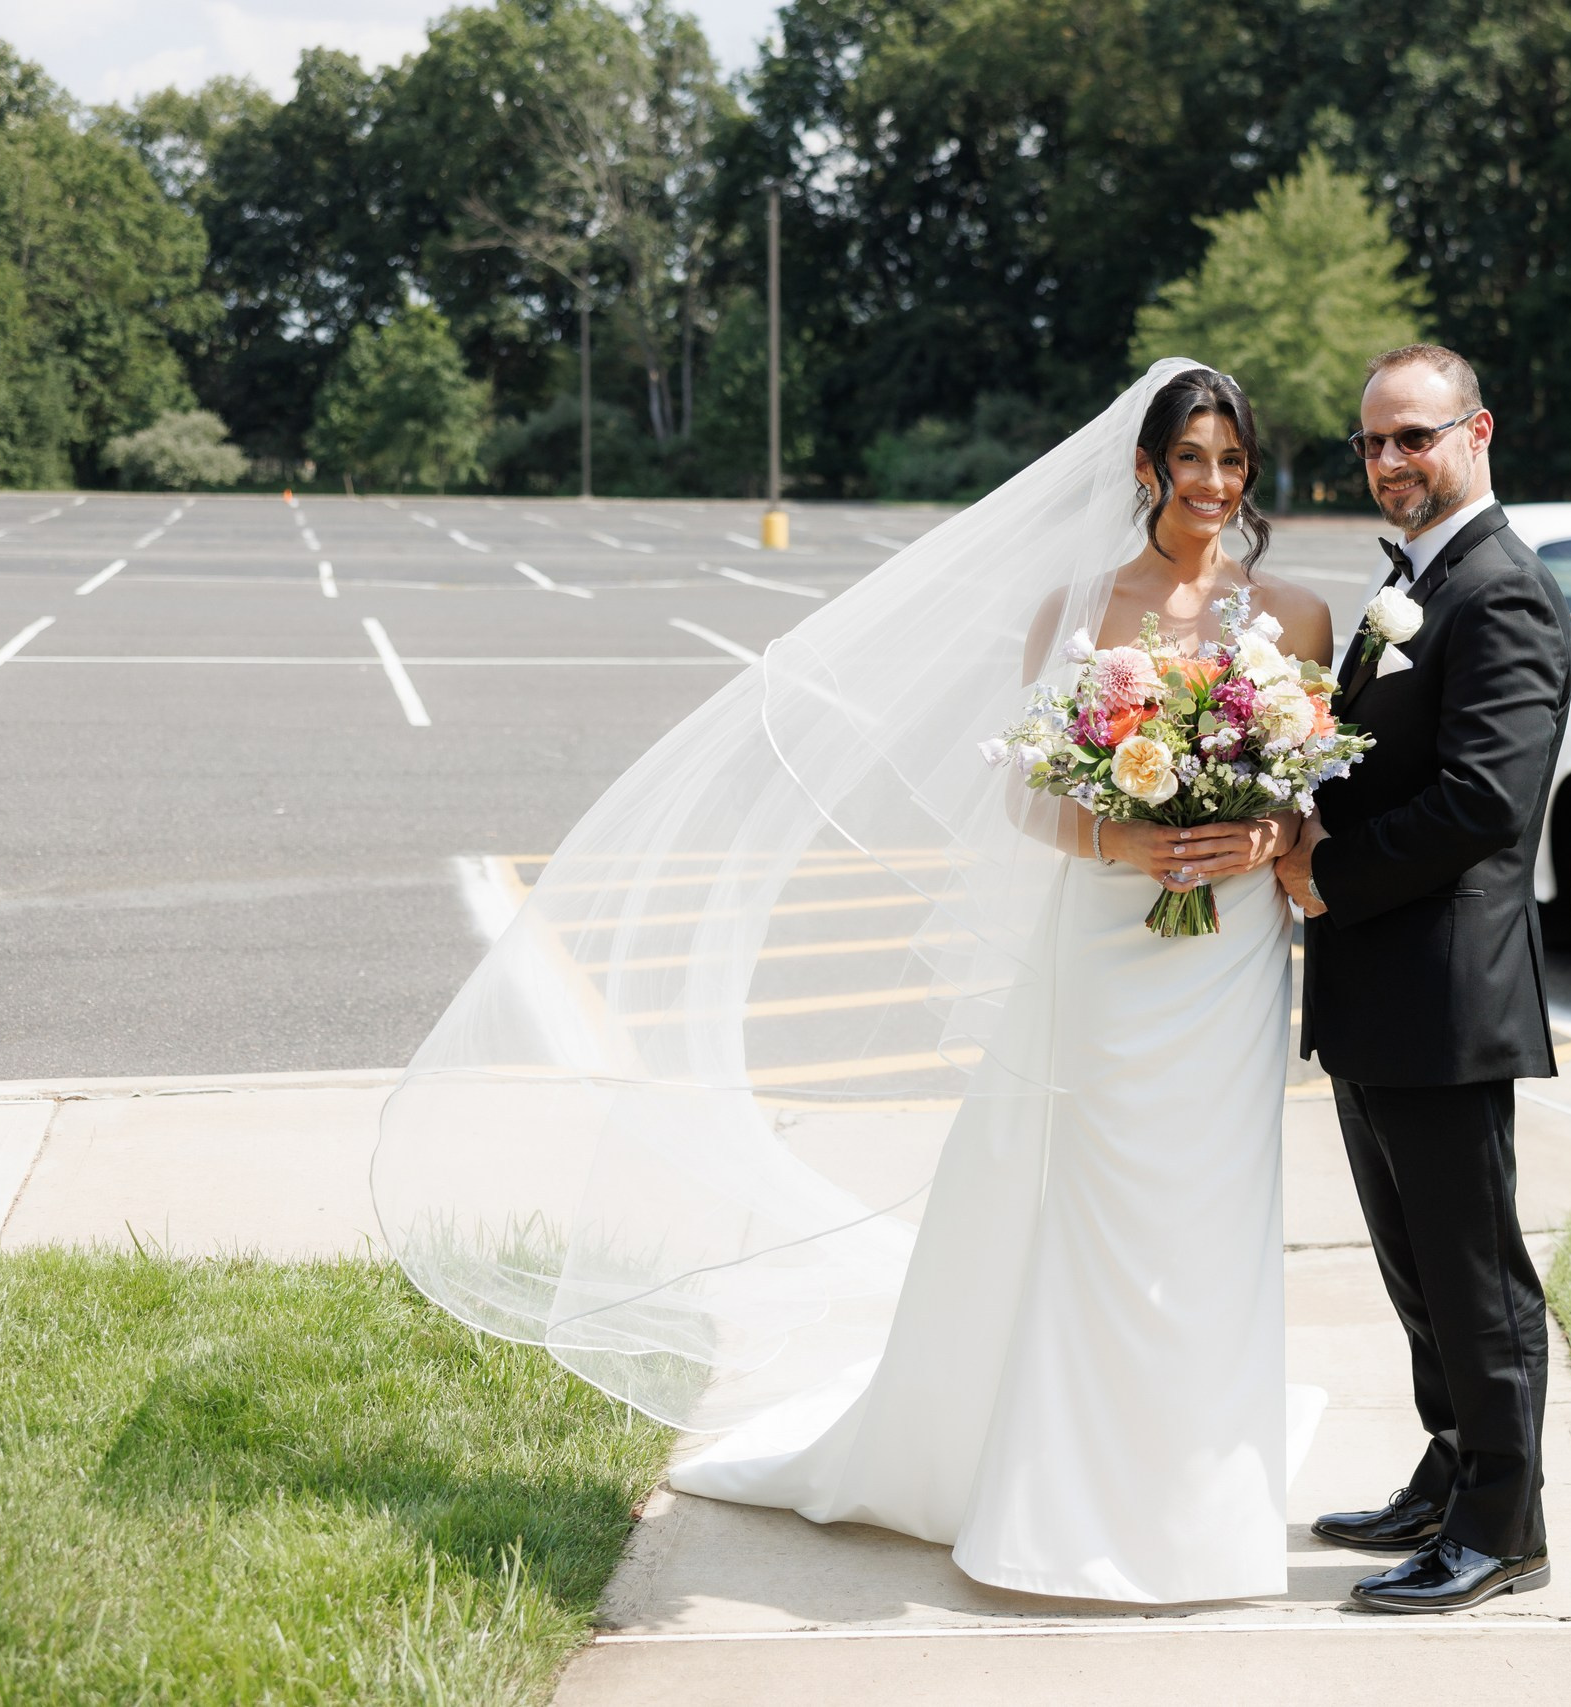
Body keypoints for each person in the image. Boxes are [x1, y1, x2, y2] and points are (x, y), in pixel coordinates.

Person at [371, 363, 1334, 1604]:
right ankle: (1066, 1482)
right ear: (1146, 468)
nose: (1212, 483)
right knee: (1097, 1205)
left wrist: (1254, 841)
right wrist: (1130, 840)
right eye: (1190, 459)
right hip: (1104, 946)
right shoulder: (1079, 608)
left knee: (1211, 1209)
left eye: (1232, 463)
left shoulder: (1295, 617)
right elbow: (1027, 797)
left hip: (1227, 962)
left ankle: (1196, 1495)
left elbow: (1308, 804)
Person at [1275, 344, 1571, 1614]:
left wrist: (1326, 876)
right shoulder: (1414, 584)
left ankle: (1504, 1528)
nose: (1389, 461)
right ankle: (1450, 1471)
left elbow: (1482, 804)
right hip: (1377, 995)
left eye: (1413, 437)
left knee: (1473, 1272)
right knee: (1411, 1264)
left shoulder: (1501, 592)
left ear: (1477, 432)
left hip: (1446, 994)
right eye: (1371, 444)